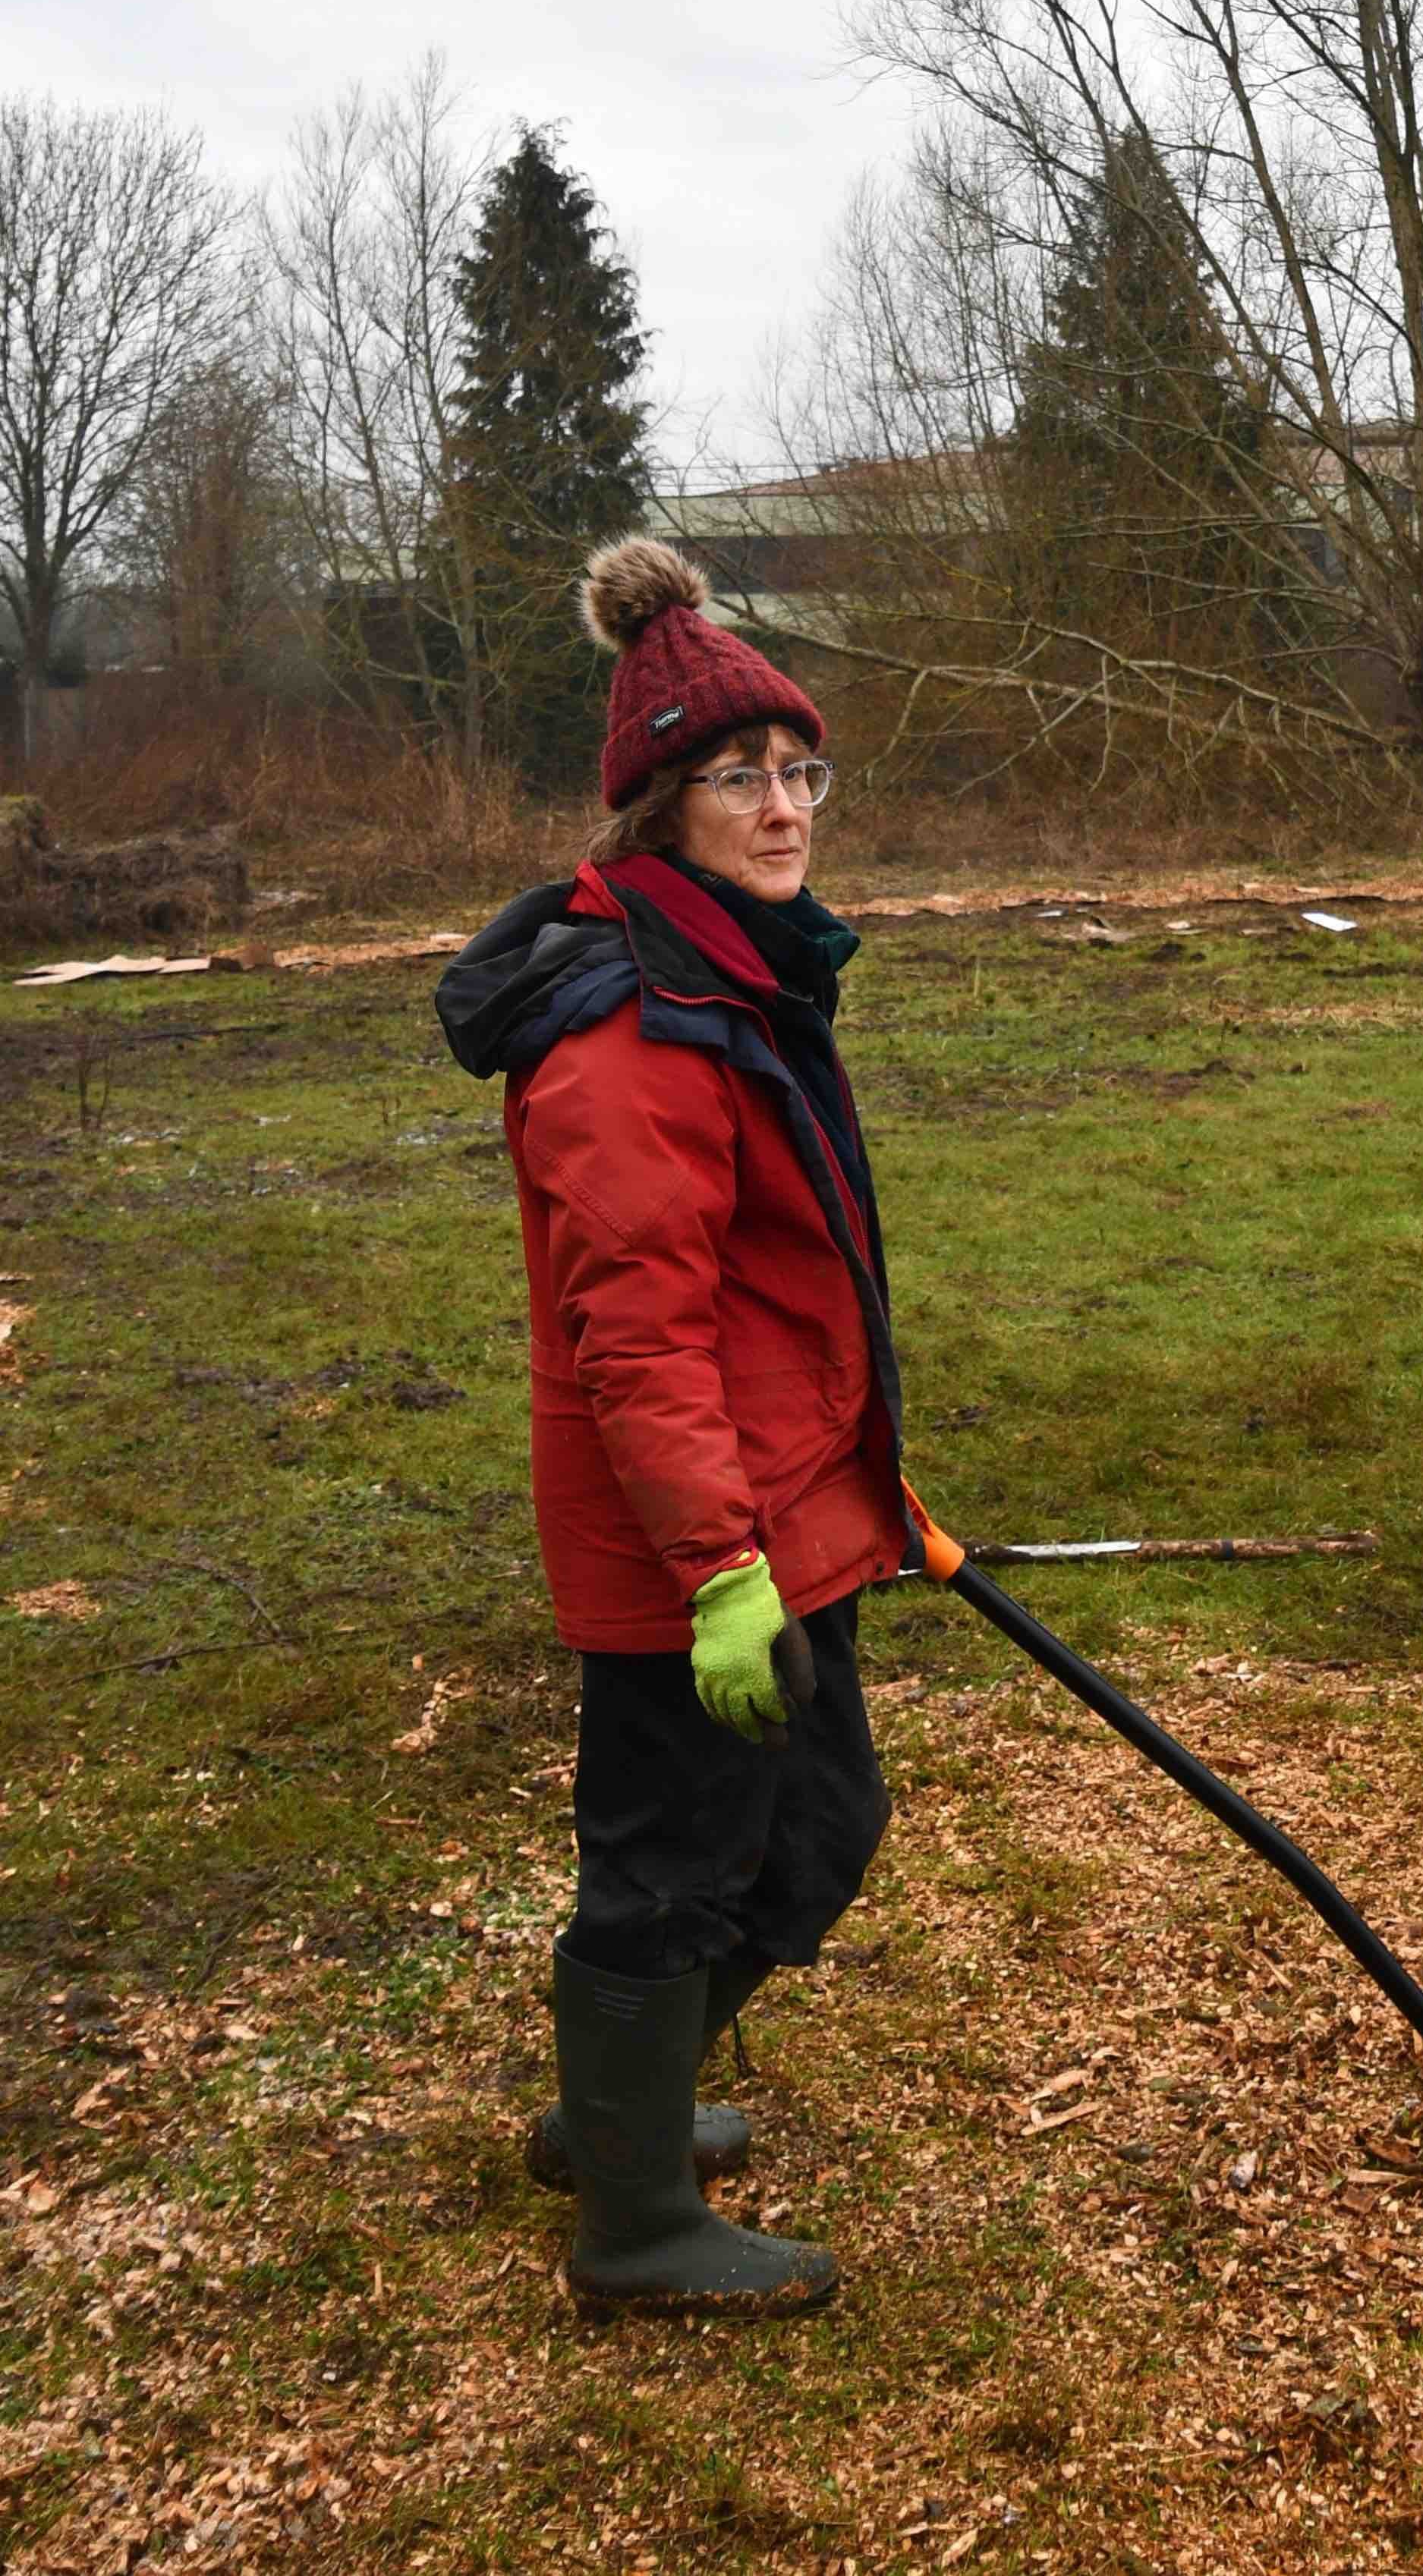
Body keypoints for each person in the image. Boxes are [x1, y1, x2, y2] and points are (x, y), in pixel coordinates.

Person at [437, 538, 910, 2312]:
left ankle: (612, 2110)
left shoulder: (730, 970)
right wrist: (718, 1566)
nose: (783, 807)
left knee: (818, 1823)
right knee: (673, 1862)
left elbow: (781, 1288)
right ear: (659, 807)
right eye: (738, 776)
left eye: (800, 769)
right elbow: (638, 1335)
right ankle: (633, 2217)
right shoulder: (632, 1026)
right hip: (689, 1540)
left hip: (783, 1499)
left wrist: (864, 1484)